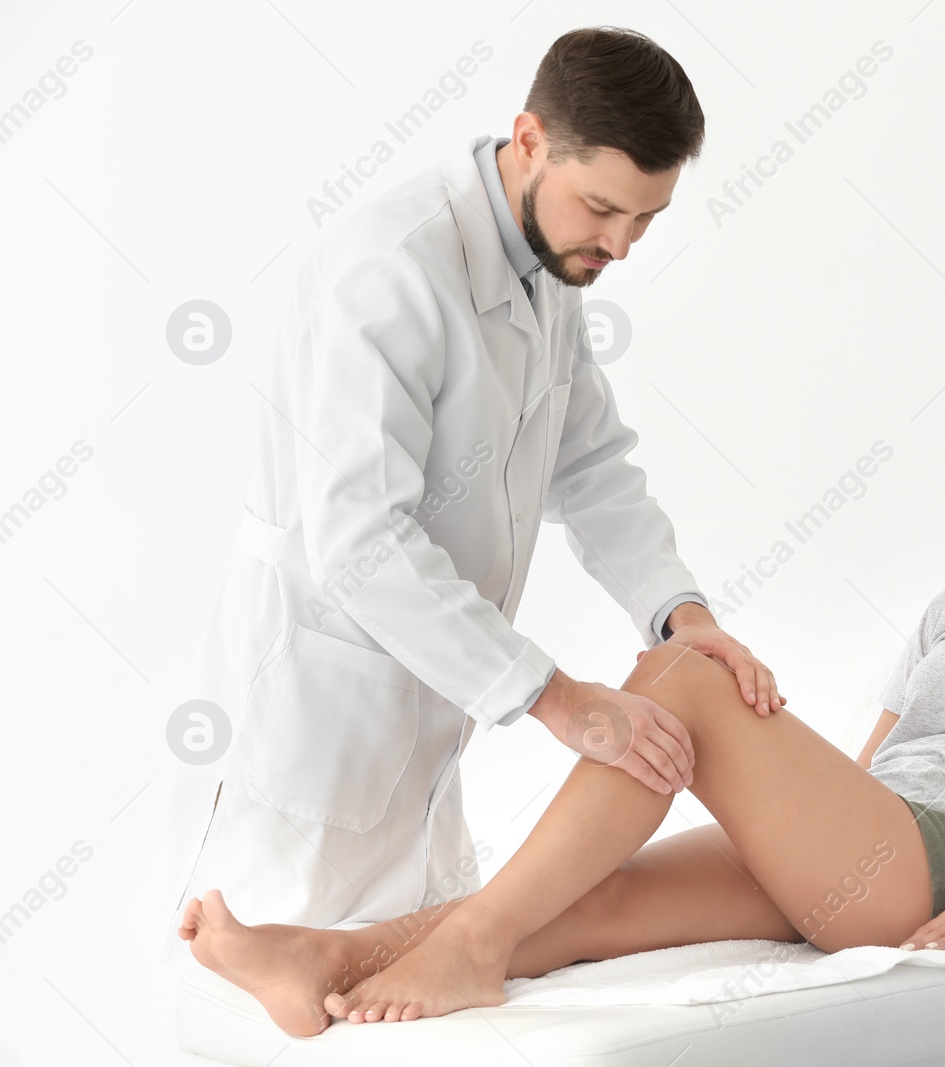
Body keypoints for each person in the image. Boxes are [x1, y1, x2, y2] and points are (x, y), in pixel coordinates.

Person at [178, 403, 945, 1035]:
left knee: (682, 668)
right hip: (872, 836)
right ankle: (327, 955)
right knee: (597, 896)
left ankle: (470, 946)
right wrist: (791, 802)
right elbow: (867, 772)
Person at [160, 26, 787, 967]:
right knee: (261, 992)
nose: (621, 245)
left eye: (647, 220)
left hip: (422, 736)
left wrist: (680, 614)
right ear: (529, 140)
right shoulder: (391, 271)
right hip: (316, 721)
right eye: (605, 208)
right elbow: (358, 542)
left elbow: (592, 462)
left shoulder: (549, 263)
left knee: (401, 976)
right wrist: (561, 701)